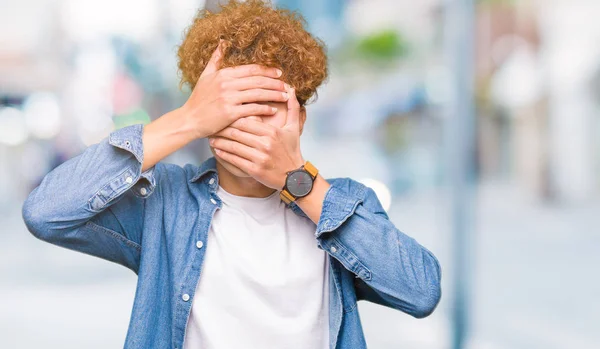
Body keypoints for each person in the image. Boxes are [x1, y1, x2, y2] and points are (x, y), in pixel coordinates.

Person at [22, 1, 441, 348]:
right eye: (233, 107)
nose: (251, 123)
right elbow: (46, 212)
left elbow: (420, 292)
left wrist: (299, 180)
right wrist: (184, 120)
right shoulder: (165, 205)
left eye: (267, 107)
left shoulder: (341, 202)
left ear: (301, 119)